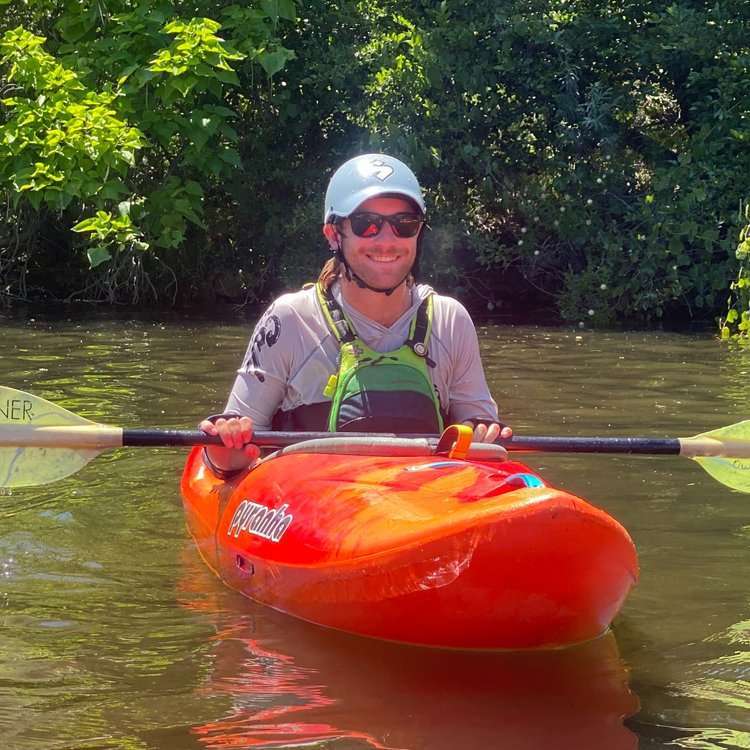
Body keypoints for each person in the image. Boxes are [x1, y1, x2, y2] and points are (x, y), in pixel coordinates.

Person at [200, 153, 512, 475]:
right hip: (323, 507)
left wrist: (483, 436)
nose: (387, 241)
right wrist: (226, 445)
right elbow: (229, 462)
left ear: (419, 232)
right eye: (367, 224)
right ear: (334, 234)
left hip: (421, 501)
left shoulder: (450, 321)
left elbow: (484, 452)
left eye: (404, 224)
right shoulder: (290, 319)